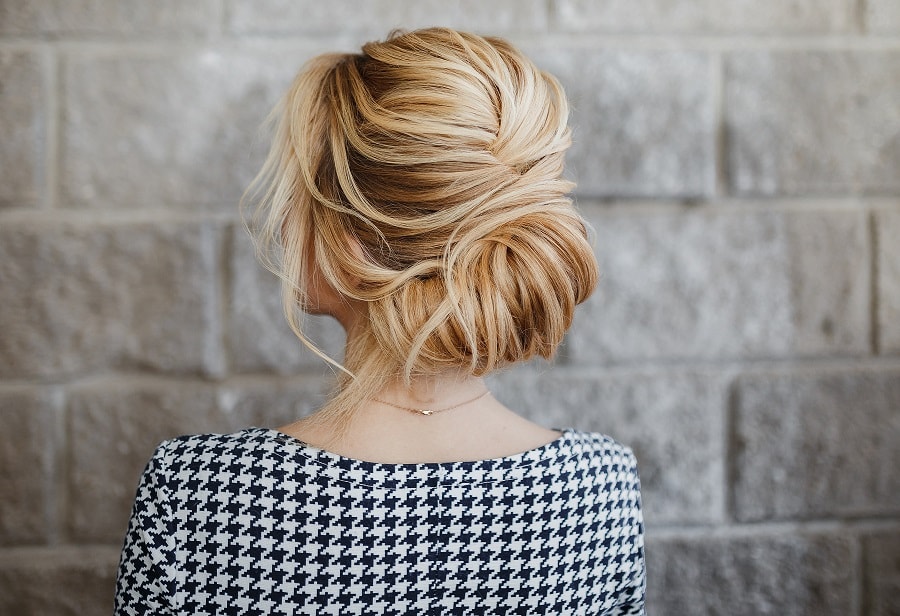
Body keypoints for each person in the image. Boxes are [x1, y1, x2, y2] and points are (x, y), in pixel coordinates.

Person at [115, 27, 645, 615]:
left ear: (353, 242)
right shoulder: (596, 491)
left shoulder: (199, 496)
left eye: (296, 194)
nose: (285, 224)